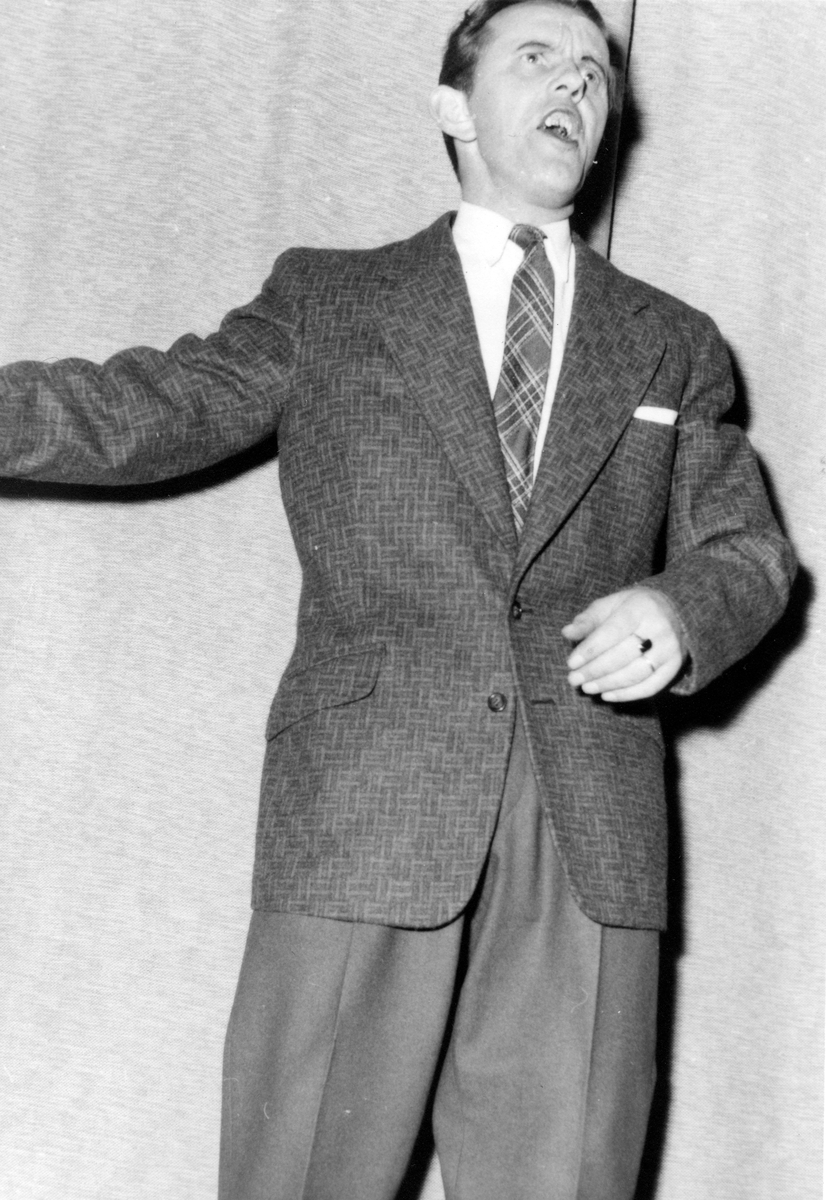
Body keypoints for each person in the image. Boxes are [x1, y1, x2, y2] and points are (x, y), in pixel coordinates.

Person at [0, 1, 795, 1197]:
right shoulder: (329, 299)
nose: (575, 84)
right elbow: (152, 404)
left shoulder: (670, 342)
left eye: (594, 70)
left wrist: (681, 613)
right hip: (366, 805)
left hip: (586, 826)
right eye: (538, 57)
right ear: (451, 107)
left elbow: (748, 550)